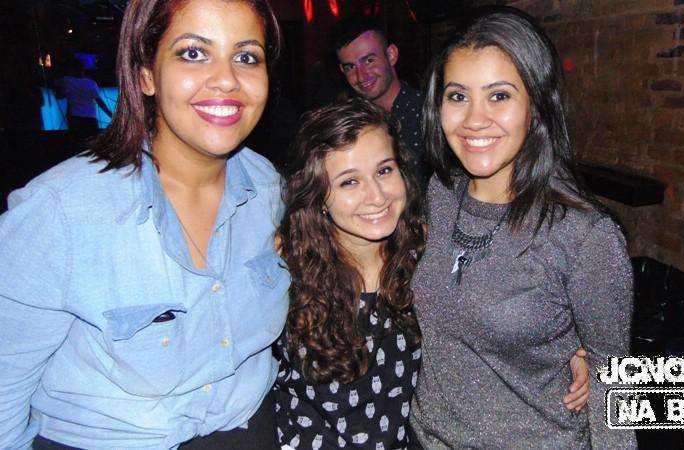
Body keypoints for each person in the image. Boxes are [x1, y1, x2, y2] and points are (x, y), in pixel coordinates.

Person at [0, 0, 289, 448]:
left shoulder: (269, 188)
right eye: (193, 52)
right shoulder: (61, 211)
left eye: (246, 56)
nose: (227, 79)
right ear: (146, 74)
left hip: (248, 429)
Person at [409, 8, 635, 448]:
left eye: (499, 96)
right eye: (458, 96)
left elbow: (614, 384)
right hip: (426, 437)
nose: (474, 119)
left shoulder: (584, 236)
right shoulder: (439, 194)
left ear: (535, 105)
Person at [271, 98, 425, 449]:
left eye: (384, 170)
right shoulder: (285, 272)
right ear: (319, 197)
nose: (376, 196)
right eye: (349, 182)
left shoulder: (426, 262)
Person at [334, 18, 429, 186]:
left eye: (369, 61)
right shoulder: (349, 122)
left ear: (391, 55)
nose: (361, 76)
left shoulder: (428, 113)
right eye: (350, 67)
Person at [54, 55, 114, 146]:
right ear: (84, 70)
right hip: (90, 118)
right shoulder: (91, 83)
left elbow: (58, 94)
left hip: (75, 118)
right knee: (93, 144)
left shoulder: (66, 81)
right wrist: (111, 115)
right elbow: (100, 103)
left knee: (77, 144)